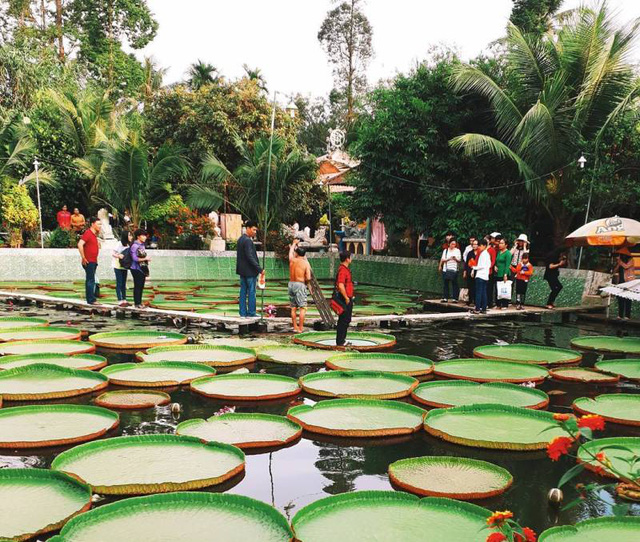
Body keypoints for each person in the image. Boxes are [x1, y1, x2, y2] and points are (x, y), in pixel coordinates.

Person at [236, 220, 263, 318]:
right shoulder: (248, 241)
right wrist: (259, 269)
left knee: (243, 292)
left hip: (242, 271)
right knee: (252, 292)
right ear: (247, 228)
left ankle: (242, 313)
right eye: (253, 230)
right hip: (250, 272)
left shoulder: (240, 239)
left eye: (256, 230)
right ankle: (251, 313)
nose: (255, 232)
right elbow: (249, 256)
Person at [288, 238, 311, 332]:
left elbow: (290, 253)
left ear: (297, 254)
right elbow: (308, 277)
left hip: (291, 284)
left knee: (293, 307)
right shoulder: (305, 263)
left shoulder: (292, 260)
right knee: (302, 307)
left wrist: (293, 244)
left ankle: (295, 327)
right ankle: (300, 328)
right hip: (300, 284)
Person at [77, 217, 101, 305]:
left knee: (91, 279)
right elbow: (80, 244)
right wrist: (83, 257)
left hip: (93, 260)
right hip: (89, 261)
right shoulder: (88, 233)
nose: (100, 226)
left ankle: (91, 299)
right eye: (98, 224)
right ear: (93, 224)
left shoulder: (94, 235)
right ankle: (91, 300)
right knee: (90, 280)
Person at [335, 250, 354, 347]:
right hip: (344, 298)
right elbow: (341, 285)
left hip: (347, 297)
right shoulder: (343, 270)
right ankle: (340, 341)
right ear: (347, 259)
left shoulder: (345, 269)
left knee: (346, 319)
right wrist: (346, 297)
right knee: (343, 320)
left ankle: (342, 340)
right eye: (350, 257)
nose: (351, 259)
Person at [130, 229, 151, 309]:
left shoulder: (142, 245)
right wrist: (145, 259)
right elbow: (134, 258)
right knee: (138, 286)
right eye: (143, 235)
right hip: (136, 268)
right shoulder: (135, 246)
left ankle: (139, 302)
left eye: (145, 236)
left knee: (141, 286)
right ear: (138, 237)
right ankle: (137, 303)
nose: (145, 237)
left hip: (142, 268)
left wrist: (146, 260)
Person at [614, 248, 636, 319]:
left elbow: (626, 266)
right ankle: (620, 315)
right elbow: (615, 271)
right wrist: (618, 264)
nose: (620, 256)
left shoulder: (631, 260)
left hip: (629, 282)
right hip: (620, 282)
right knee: (620, 299)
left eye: (621, 255)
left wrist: (620, 261)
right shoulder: (620, 262)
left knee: (628, 298)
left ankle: (627, 316)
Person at [112, 230, 132, 307]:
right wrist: (118, 255)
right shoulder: (119, 244)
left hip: (124, 266)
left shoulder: (128, 245)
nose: (131, 237)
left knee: (124, 283)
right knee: (119, 282)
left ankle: (124, 299)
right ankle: (119, 300)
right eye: (129, 235)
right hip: (117, 265)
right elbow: (113, 253)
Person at [472, 239, 491, 314]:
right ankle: (483, 309)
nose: (479, 247)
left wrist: (474, 267)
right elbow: (488, 265)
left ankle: (477, 309)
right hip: (485, 276)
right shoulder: (487, 254)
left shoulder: (483, 254)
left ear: (484, 246)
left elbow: (481, 266)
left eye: (480, 245)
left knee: (479, 292)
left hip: (480, 275)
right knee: (483, 292)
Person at [439, 238, 461, 303]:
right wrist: (449, 259)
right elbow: (443, 259)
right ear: (449, 244)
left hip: (454, 268)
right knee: (445, 283)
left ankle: (455, 298)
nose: (453, 245)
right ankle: (445, 297)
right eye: (452, 244)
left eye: (454, 244)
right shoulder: (446, 250)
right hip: (446, 268)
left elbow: (459, 260)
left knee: (454, 283)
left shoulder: (457, 251)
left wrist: (455, 258)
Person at [495, 237, 512, 310]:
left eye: (502, 243)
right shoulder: (499, 252)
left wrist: (505, 274)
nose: (500, 244)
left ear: (506, 245)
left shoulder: (508, 253)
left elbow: (508, 264)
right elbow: (496, 261)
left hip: (504, 273)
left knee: (504, 289)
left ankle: (505, 304)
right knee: (498, 288)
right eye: (500, 243)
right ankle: (498, 304)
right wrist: (495, 266)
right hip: (498, 273)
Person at [463, 238, 478, 306]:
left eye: (475, 244)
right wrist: (465, 271)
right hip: (469, 270)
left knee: (476, 286)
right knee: (470, 286)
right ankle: (470, 300)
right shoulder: (470, 253)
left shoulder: (480, 253)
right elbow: (466, 263)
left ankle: (475, 301)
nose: (474, 245)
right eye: (473, 244)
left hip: (477, 271)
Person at [487, 233, 500, 308]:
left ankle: (496, 302)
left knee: (496, 287)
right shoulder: (491, 248)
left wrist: (491, 265)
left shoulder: (497, 249)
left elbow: (493, 260)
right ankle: (489, 302)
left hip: (495, 269)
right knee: (489, 287)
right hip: (490, 270)